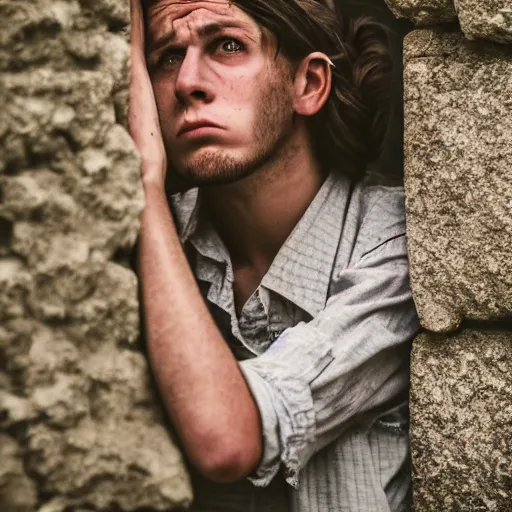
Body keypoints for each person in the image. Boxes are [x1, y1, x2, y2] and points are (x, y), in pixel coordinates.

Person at [129, 0, 420, 510]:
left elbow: (226, 442)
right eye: (167, 57)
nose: (187, 83)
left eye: (228, 46)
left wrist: (146, 182)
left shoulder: (398, 244)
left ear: (307, 85)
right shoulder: (146, 239)